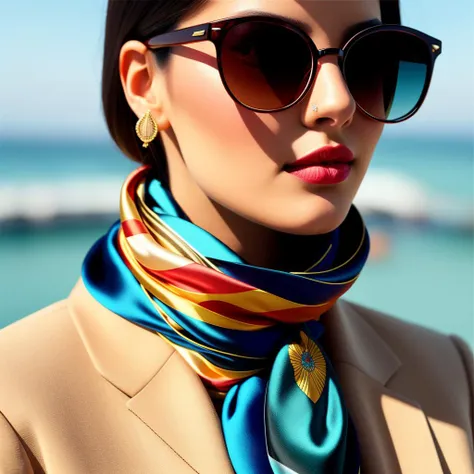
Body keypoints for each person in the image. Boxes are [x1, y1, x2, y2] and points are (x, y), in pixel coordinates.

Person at [1, 0, 472, 472]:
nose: (338, 103)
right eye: (268, 55)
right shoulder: (14, 403)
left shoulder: (451, 376)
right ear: (144, 84)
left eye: (371, 62)